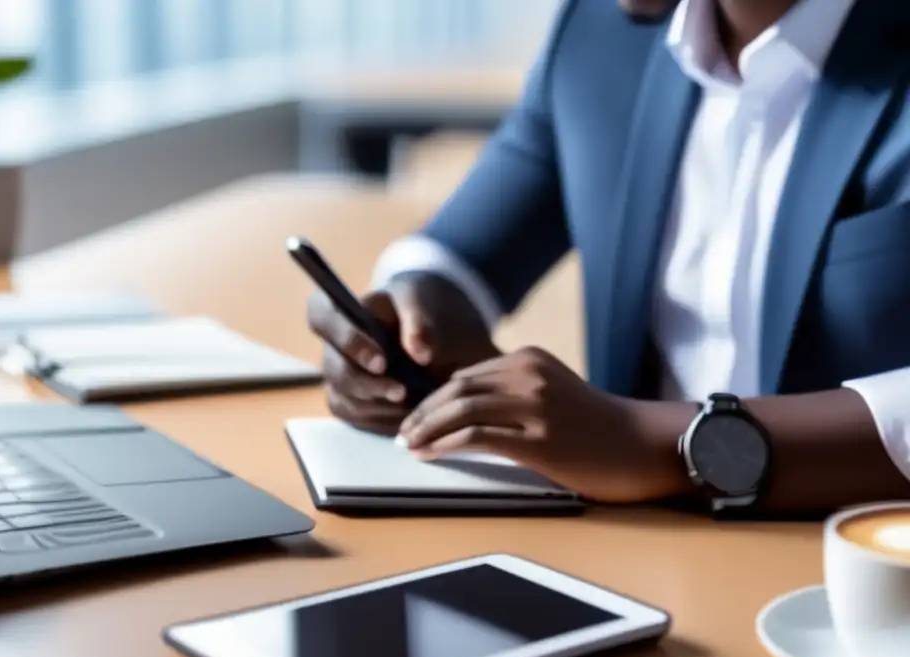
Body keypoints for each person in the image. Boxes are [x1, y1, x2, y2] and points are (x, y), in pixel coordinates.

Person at [307, 0, 910, 514]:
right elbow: (465, 244)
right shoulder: (603, 33)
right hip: (638, 549)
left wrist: (649, 442)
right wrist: (408, 319)